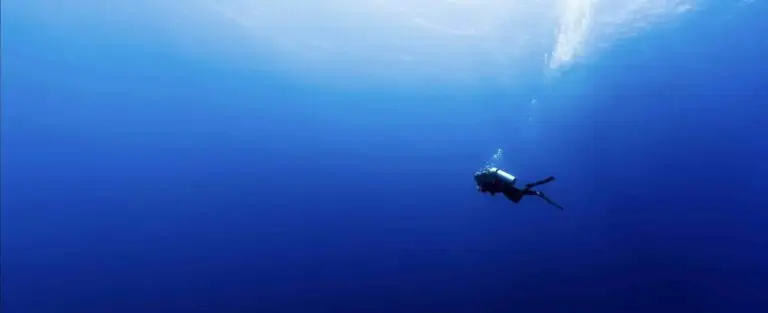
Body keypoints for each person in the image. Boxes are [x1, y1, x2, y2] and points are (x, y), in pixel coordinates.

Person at [473, 167, 564, 210]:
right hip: (505, 186)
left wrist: (484, 189)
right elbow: (493, 188)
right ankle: (537, 190)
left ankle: (536, 188)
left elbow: (492, 190)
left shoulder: (484, 185)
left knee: (519, 193)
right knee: (520, 191)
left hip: (505, 188)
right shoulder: (486, 181)